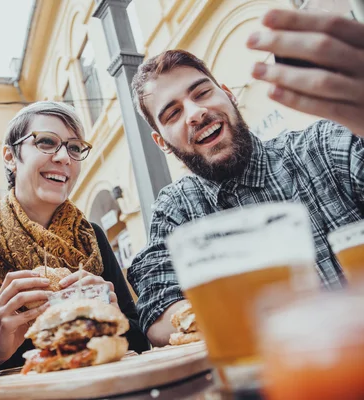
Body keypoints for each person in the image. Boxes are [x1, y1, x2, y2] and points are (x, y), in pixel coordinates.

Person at [127, 8, 364, 347]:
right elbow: (158, 310)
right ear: (161, 142)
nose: (195, 113)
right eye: (173, 112)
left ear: (229, 93)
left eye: (201, 93)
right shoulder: (176, 207)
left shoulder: (321, 148)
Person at [0, 102, 149, 392]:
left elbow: (141, 342)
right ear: (9, 156)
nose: (63, 157)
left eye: (74, 148)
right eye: (46, 142)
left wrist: (115, 319)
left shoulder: (92, 238)